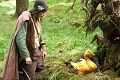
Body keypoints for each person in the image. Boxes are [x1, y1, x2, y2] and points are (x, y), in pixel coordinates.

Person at [2, 0, 48, 80]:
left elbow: (38, 34)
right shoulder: (26, 18)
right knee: (29, 77)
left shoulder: (37, 17)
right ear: (38, 11)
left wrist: (43, 49)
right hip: (29, 52)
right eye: (43, 11)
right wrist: (26, 56)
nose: (44, 14)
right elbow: (20, 39)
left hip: (36, 50)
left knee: (39, 69)